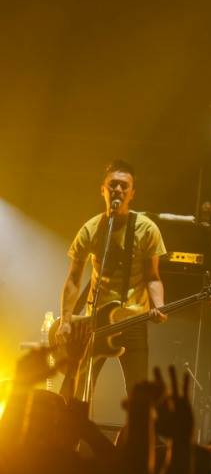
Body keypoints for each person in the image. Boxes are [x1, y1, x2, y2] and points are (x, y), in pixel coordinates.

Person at [55, 159, 167, 397]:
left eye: (124, 186)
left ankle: (136, 422)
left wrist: (158, 305)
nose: (118, 189)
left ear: (132, 193)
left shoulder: (147, 229)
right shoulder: (91, 229)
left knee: (139, 392)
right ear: (103, 190)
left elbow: (153, 277)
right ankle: (70, 418)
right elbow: (74, 279)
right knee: (78, 388)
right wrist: (65, 319)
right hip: (96, 320)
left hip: (133, 320)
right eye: (113, 184)